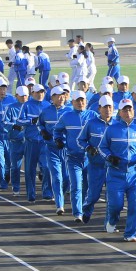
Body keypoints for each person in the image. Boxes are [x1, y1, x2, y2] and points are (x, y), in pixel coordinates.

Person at [98, 98, 136, 242]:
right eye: (125, 110)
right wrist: (110, 157)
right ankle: (112, 219)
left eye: (130, 109)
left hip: (135, 174)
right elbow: (102, 148)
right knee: (116, 205)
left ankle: (130, 233)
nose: (128, 112)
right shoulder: (111, 129)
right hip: (116, 174)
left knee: (135, 205)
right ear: (120, 113)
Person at [53, 91, 91, 221]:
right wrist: (58, 140)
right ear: (72, 102)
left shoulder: (93, 116)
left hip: (90, 158)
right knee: (76, 186)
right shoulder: (66, 116)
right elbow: (57, 130)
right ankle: (77, 213)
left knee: (87, 186)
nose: (80, 103)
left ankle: (84, 207)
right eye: (77, 101)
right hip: (73, 157)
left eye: (82, 100)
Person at [79, 96, 114, 225]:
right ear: (99, 108)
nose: (107, 110)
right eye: (105, 107)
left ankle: (109, 223)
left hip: (112, 167)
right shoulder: (91, 123)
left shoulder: (117, 124)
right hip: (96, 166)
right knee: (94, 195)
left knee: (111, 197)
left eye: (110, 107)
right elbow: (80, 140)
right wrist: (88, 148)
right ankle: (87, 209)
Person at [39, 86, 71, 216]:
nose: (61, 97)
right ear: (52, 98)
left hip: (66, 149)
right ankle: (59, 205)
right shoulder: (46, 111)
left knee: (67, 178)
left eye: (63, 95)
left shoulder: (69, 111)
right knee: (56, 177)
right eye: (58, 95)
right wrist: (42, 131)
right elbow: (39, 124)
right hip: (52, 149)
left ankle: (60, 195)